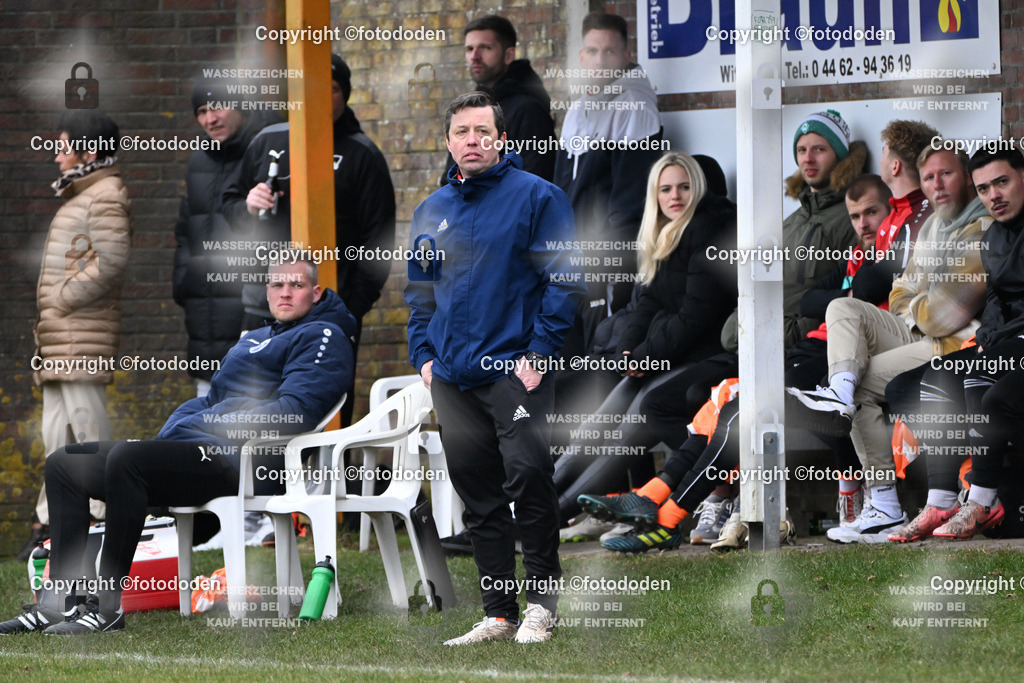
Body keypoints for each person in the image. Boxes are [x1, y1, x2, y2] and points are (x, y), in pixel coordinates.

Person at [1, 257, 355, 635]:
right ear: (266, 291)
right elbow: (210, 400)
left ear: (315, 293)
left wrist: (207, 423)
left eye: (296, 285)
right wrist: (182, 426)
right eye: (277, 285)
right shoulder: (255, 337)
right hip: (200, 450)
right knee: (65, 462)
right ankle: (60, 602)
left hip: (246, 462)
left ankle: (105, 608)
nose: (285, 292)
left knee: (126, 460)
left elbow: (294, 412)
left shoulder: (325, 336)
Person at [405, 91, 583, 645]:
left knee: (528, 477)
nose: (473, 141)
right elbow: (419, 294)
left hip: (514, 372)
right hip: (452, 379)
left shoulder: (538, 197)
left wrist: (537, 356)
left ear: (502, 140)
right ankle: (499, 612)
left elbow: (566, 279)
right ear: (450, 142)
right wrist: (425, 359)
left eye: (484, 132)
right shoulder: (430, 211)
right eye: (463, 132)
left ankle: (543, 607)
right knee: (478, 494)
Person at [631, 111, 866, 503]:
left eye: (820, 149)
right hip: (746, 346)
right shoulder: (790, 221)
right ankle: (721, 491)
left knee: (698, 398)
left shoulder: (849, 218)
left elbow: (835, 293)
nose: (808, 158)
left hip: (796, 349)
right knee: (659, 403)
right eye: (802, 150)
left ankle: (715, 499)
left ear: (841, 156)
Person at [786, 143, 991, 543]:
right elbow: (898, 291)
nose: (937, 184)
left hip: (955, 342)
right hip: (917, 329)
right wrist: (920, 304)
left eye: (945, 174)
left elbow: (946, 315)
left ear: (966, 177)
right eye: (929, 177)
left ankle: (883, 502)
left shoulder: (981, 226)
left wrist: (919, 304)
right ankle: (838, 393)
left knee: (866, 381)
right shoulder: (933, 226)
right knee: (843, 309)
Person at [550, 152, 737, 528]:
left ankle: (552, 514)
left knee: (629, 428)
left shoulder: (708, 229)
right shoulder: (664, 233)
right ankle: (536, 502)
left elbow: (695, 317)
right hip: (668, 356)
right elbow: (647, 304)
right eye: (666, 189)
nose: (675, 196)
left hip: (704, 356)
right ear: (655, 196)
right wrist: (628, 352)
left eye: (684, 187)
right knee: (600, 421)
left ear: (698, 188)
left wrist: (645, 355)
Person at [223, 54, 395, 424]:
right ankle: (262, 483)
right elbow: (227, 204)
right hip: (261, 304)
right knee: (251, 406)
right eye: (309, 88)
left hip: (329, 308)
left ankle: (327, 481)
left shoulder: (362, 154)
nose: (319, 96)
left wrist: (347, 309)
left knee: (324, 413)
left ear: (344, 95)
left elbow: (380, 242)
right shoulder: (267, 140)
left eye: (330, 88)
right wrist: (248, 206)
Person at [887, 147, 1024, 541]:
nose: (993, 195)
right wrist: (989, 335)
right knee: (925, 381)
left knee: (983, 380)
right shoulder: (995, 236)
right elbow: (998, 300)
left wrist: (998, 338)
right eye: (983, 188)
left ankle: (983, 499)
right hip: (1007, 339)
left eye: (1002, 182)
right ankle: (942, 499)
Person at [21, 110, 131, 562]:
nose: (57, 157)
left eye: (63, 147)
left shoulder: (104, 194)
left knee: (87, 425)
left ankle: (105, 511)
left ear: (89, 151)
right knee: (56, 432)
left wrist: (64, 297)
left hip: (80, 332)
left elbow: (112, 259)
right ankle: (51, 520)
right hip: (60, 336)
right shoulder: (79, 195)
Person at [553, 11, 664, 356]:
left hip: (607, 259)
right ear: (582, 57)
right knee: (568, 352)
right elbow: (562, 186)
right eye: (593, 51)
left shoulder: (636, 106)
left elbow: (631, 201)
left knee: (599, 347)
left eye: (610, 52)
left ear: (627, 56)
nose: (601, 61)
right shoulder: (577, 109)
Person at [173, 71, 273, 398]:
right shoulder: (198, 162)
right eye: (201, 111)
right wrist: (184, 284)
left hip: (251, 307)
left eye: (218, 107)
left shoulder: (265, 152)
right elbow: (185, 232)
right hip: (203, 314)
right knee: (205, 417)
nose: (210, 119)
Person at [442, 14, 555, 181]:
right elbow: (451, 177)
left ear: (508, 55)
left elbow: (536, 181)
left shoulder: (529, 110)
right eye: (469, 49)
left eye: (485, 48)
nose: (475, 56)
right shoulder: (469, 108)